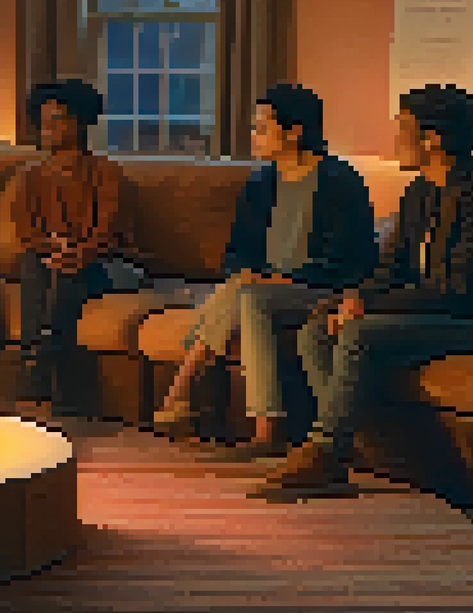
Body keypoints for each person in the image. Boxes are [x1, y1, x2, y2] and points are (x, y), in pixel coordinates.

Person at [254, 84, 473, 500]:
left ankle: (325, 451)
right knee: (316, 328)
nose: (395, 137)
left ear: (433, 138)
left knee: (360, 334)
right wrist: (344, 301)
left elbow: (458, 289)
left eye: (402, 127)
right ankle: (355, 450)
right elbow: (391, 270)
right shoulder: (420, 191)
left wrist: (366, 309)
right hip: (455, 313)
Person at [153, 84, 378, 458]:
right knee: (243, 288)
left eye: (261, 127)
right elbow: (238, 251)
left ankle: (249, 422)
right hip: (268, 287)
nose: (253, 136)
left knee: (251, 296)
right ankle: (193, 402)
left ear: (295, 131)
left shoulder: (339, 181)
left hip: (321, 288)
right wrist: (244, 271)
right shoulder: (261, 182)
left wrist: (282, 280)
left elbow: (348, 260)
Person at [9, 79, 150, 418]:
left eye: (56, 119)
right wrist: (51, 248)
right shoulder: (29, 176)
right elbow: (26, 231)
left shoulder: (106, 173)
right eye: (42, 120)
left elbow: (107, 232)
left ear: (80, 123)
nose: (47, 128)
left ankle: (57, 387)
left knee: (69, 274)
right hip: (52, 260)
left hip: (112, 265)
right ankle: (37, 370)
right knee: (32, 264)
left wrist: (76, 252)